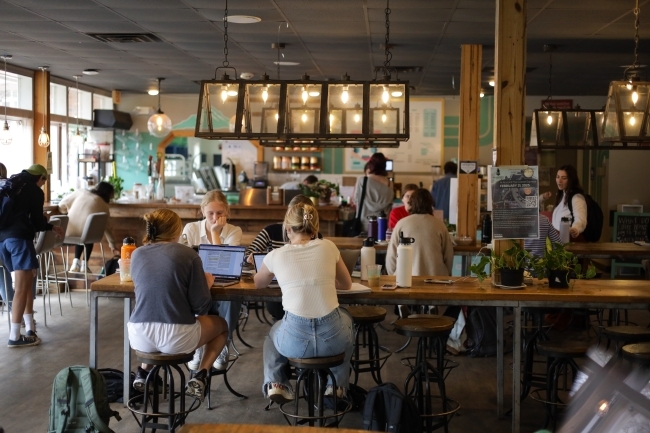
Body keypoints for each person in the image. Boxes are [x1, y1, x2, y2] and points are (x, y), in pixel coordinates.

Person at [255, 202, 353, 404]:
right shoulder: (329, 246)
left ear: (287, 229)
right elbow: (346, 284)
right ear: (316, 229)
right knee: (348, 321)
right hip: (332, 343)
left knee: (273, 333)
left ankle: (277, 383)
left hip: (295, 344)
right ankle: (336, 386)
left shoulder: (275, 255)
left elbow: (259, 283)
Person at [128, 208, 229, 400]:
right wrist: (206, 285)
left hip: (138, 335)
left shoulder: (137, 254)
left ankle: (144, 373)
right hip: (176, 337)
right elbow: (201, 307)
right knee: (222, 326)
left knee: (156, 320)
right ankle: (201, 375)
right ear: (177, 230)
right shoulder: (188, 255)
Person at [0, 164, 64, 347]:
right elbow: (36, 223)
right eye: (44, 181)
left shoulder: (11, 183)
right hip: (19, 240)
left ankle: (30, 329)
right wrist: (46, 222)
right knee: (21, 287)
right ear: (41, 178)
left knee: (26, 282)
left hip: (2, 241)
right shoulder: (34, 191)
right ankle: (14, 337)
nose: (43, 185)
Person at [181, 190, 242, 371]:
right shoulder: (191, 229)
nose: (215, 217)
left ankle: (224, 344)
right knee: (191, 294)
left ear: (227, 212)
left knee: (233, 297)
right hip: (197, 282)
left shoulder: (234, 231)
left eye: (219, 213)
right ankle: (198, 344)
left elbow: (223, 263)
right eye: (210, 213)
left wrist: (215, 233)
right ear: (202, 211)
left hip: (224, 281)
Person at [244, 194, 322, 322]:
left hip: (304, 288)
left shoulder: (315, 235)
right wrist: (250, 257)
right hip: (278, 289)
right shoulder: (271, 231)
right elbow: (249, 253)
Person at [386, 188, 454, 277]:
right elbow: (448, 256)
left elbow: (391, 257)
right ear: (430, 204)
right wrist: (444, 275)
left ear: (411, 203)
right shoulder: (439, 225)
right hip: (436, 279)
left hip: (406, 279)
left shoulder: (401, 224)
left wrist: (395, 275)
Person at [58, 182, 120, 273]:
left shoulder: (81, 192)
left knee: (82, 233)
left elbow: (61, 205)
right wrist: (112, 245)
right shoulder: (104, 206)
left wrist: (66, 211)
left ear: (97, 187)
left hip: (68, 231)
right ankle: (84, 264)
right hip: (88, 236)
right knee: (89, 232)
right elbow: (107, 229)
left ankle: (76, 262)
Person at [353, 152, 394, 233]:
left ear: (370, 164)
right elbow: (390, 206)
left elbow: (355, 200)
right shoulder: (390, 184)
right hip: (382, 225)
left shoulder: (362, 181)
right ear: (384, 166)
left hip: (363, 224)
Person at [551, 165, 587, 241]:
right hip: (558, 239)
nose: (559, 181)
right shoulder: (561, 194)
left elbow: (580, 218)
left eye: (564, 178)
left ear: (571, 180)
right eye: (558, 177)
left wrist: (575, 229)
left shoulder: (577, 197)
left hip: (569, 239)